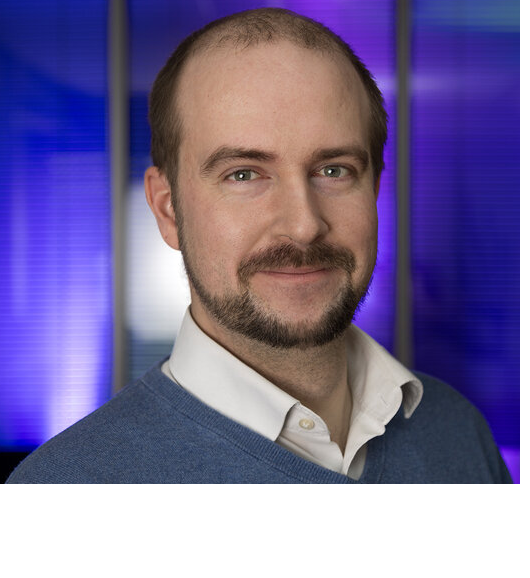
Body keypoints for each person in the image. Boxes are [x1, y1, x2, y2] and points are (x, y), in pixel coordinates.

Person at [7, 7, 511, 483]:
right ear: (167, 209)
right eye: (244, 174)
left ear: (374, 189)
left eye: (334, 170)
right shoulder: (64, 492)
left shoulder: (457, 434)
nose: (303, 226)